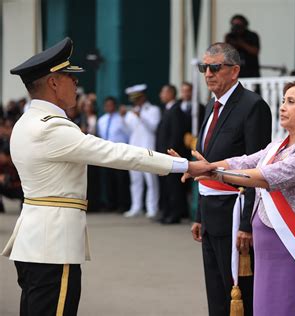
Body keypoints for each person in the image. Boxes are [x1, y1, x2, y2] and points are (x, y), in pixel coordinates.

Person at [1, 37, 213, 316]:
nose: (76, 84)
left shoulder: (26, 123)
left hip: (35, 242)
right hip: (53, 245)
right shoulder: (51, 128)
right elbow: (116, 153)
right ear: (53, 82)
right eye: (70, 77)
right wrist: (185, 166)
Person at [190, 80, 295, 316]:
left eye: (291, 101)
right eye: (282, 101)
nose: (282, 107)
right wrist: (205, 166)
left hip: (292, 251)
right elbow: (243, 161)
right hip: (268, 249)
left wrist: (213, 173)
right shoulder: (277, 146)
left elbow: (265, 176)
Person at [193, 42, 272, 315]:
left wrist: (247, 224)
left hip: (235, 214)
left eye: (215, 67)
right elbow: (204, 163)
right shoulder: (210, 105)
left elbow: (258, 167)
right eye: (204, 67)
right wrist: (199, 215)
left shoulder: (253, 106)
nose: (208, 74)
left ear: (234, 71)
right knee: (215, 292)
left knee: (238, 292)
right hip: (210, 212)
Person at [120, 84, 161, 218]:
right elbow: (128, 132)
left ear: (143, 97)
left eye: (137, 98)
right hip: (134, 149)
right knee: (135, 180)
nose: (135, 102)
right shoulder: (131, 112)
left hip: (149, 149)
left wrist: (141, 116)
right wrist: (123, 118)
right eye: (134, 99)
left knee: (150, 180)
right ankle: (136, 207)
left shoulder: (153, 109)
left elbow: (154, 128)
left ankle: (152, 208)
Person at [155, 84, 188, 224]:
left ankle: (175, 214)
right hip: (163, 155)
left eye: (163, 92)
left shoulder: (175, 111)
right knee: (166, 186)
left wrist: (170, 153)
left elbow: (176, 134)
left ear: (170, 93)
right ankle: (166, 212)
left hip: (169, 156)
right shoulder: (167, 109)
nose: (161, 95)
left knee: (173, 186)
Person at [97, 96, 131, 213]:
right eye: (107, 105)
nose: (109, 107)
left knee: (121, 179)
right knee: (108, 179)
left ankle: (123, 204)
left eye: (111, 105)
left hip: (120, 152)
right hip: (106, 153)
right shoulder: (101, 120)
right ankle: (111, 203)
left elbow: (128, 135)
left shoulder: (121, 119)